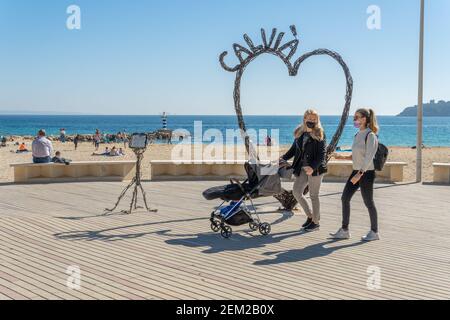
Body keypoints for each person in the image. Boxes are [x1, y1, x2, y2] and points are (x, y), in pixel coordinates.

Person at [330, 108, 380, 241]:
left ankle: (374, 232)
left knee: (368, 202)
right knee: (345, 198)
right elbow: (357, 155)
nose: (354, 120)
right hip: (356, 171)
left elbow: (369, 156)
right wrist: (341, 157)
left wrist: (360, 173)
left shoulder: (371, 135)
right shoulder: (358, 134)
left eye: (356, 117)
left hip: (366, 173)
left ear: (364, 118)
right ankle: (344, 230)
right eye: (354, 118)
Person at [280, 109, 327, 232]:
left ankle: (316, 223)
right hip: (302, 168)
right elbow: (293, 150)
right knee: (296, 192)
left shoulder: (319, 133)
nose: (311, 121)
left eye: (314, 119)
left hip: (315, 170)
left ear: (317, 120)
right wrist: (281, 158)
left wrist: (312, 167)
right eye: (309, 118)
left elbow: (322, 155)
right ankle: (311, 216)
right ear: (304, 119)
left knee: (314, 195)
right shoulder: (300, 133)